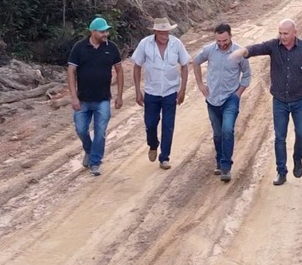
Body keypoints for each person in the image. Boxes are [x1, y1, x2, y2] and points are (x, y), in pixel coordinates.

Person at [230, 18, 302, 186]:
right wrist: (242, 51)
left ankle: (297, 159)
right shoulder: (273, 46)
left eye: (285, 33)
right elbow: (258, 48)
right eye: (280, 33)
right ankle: (281, 171)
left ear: (295, 32)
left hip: (299, 100)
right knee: (280, 137)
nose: (282, 36)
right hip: (279, 100)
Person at [192, 23, 252, 182]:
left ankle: (226, 167)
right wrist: (200, 84)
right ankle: (219, 161)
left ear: (230, 36)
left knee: (227, 130)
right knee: (218, 134)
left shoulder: (240, 52)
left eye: (224, 40)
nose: (222, 43)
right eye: (218, 40)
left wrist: (238, 94)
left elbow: (247, 75)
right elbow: (196, 62)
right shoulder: (209, 50)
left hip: (230, 98)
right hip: (212, 99)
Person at [67, 16, 123, 177]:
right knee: (81, 130)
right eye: (102, 31)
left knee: (100, 132)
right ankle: (89, 150)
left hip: (103, 99)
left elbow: (119, 70)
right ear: (93, 32)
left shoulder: (111, 48)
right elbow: (71, 71)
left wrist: (119, 95)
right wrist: (73, 96)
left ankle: (95, 162)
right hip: (83, 99)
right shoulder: (79, 48)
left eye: (106, 31)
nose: (106, 34)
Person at [132, 17, 190, 169]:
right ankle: (153, 144)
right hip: (151, 91)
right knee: (150, 124)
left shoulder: (176, 44)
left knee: (168, 125)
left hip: (170, 91)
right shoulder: (145, 44)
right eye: (162, 33)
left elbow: (185, 65)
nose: (165, 36)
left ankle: (164, 157)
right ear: (156, 32)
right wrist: (137, 90)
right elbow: (137, 66)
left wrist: (182, 89)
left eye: (167, 32)